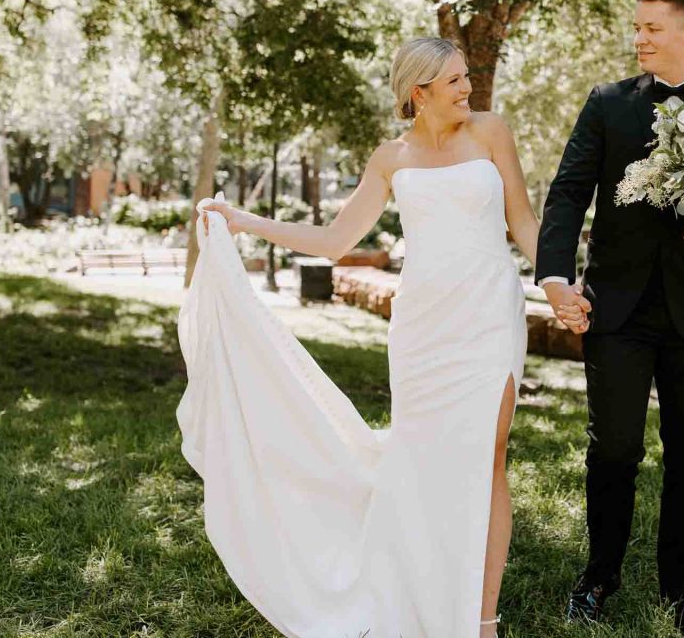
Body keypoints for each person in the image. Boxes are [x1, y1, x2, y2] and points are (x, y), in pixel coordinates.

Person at [183, 37, 577, 637]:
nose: (467, 90)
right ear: (418, 93)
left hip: (488, 317)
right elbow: (333, 241)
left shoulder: (491, 132)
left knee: (488, 456)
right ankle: (412, 585)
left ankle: (481, 618)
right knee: (420, 459)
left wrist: (555, 281)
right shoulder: (390, 158)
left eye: (466, 77)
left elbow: (523, 219)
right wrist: (242, 222)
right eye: (453, 82)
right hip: (423, 327)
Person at [535, 0, 684, 637]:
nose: (639, 37)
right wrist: (555, 276)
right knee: (612, 451)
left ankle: (683, 593)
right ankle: (598, 576)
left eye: (652, 27)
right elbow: (567, 193)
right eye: (635, 27)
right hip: (617, 310)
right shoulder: (607, 104)